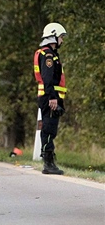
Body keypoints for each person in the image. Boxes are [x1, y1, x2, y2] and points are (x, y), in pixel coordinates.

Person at [34, 22, 67, 175]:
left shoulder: (50, 54)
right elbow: (47, 79)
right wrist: (53, 98)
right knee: (48, 129)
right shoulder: (48, 54)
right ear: (53, 36)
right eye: (61, 37)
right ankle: (48, 163)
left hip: (51, 97)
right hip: (50, 98)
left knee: (50, 129)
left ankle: (49, 160)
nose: (62, 40)